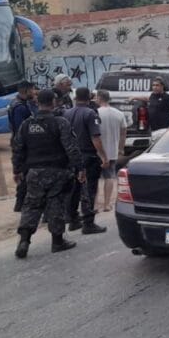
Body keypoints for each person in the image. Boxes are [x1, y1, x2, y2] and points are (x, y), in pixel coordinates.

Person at [12, 88, 84, 259]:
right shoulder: (60, 123)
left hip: (34, 172)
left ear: (38, 103)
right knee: (56, 204)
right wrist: (80, 168)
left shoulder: (27, 124)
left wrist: (17, 169)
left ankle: (24, 240)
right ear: (53, 102)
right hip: (57, 171)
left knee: (31, 205)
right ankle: (57, 241)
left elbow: (18, 148)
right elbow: (71, 148)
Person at [64, 86, 110, 234]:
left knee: (74, 188)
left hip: (71, 156)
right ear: (89, 97)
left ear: (76, 97)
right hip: (87, 155)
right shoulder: (90, 113)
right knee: (89, 189)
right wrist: (103, 156)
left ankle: (73, 219)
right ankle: (88, 223)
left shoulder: (67, 113)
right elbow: (95, 138)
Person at [7, 80, 38, 213]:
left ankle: (21, 203)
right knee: (25, 173)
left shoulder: (20, 103)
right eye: (32, 89)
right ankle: (20, 203)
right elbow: (21, 129)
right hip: (23, 145)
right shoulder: (20, 107)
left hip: (20, 143)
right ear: (26, 91)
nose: (34, 92)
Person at [95, 89, 126, 214]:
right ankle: (107, 204)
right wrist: (121, 148)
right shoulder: (119, 114)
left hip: (97, 150)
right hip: (112, 150)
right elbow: (123, 133)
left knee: (95, 178)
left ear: (99, 98)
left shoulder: (95, 113)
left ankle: (95, 205)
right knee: (109, 177)